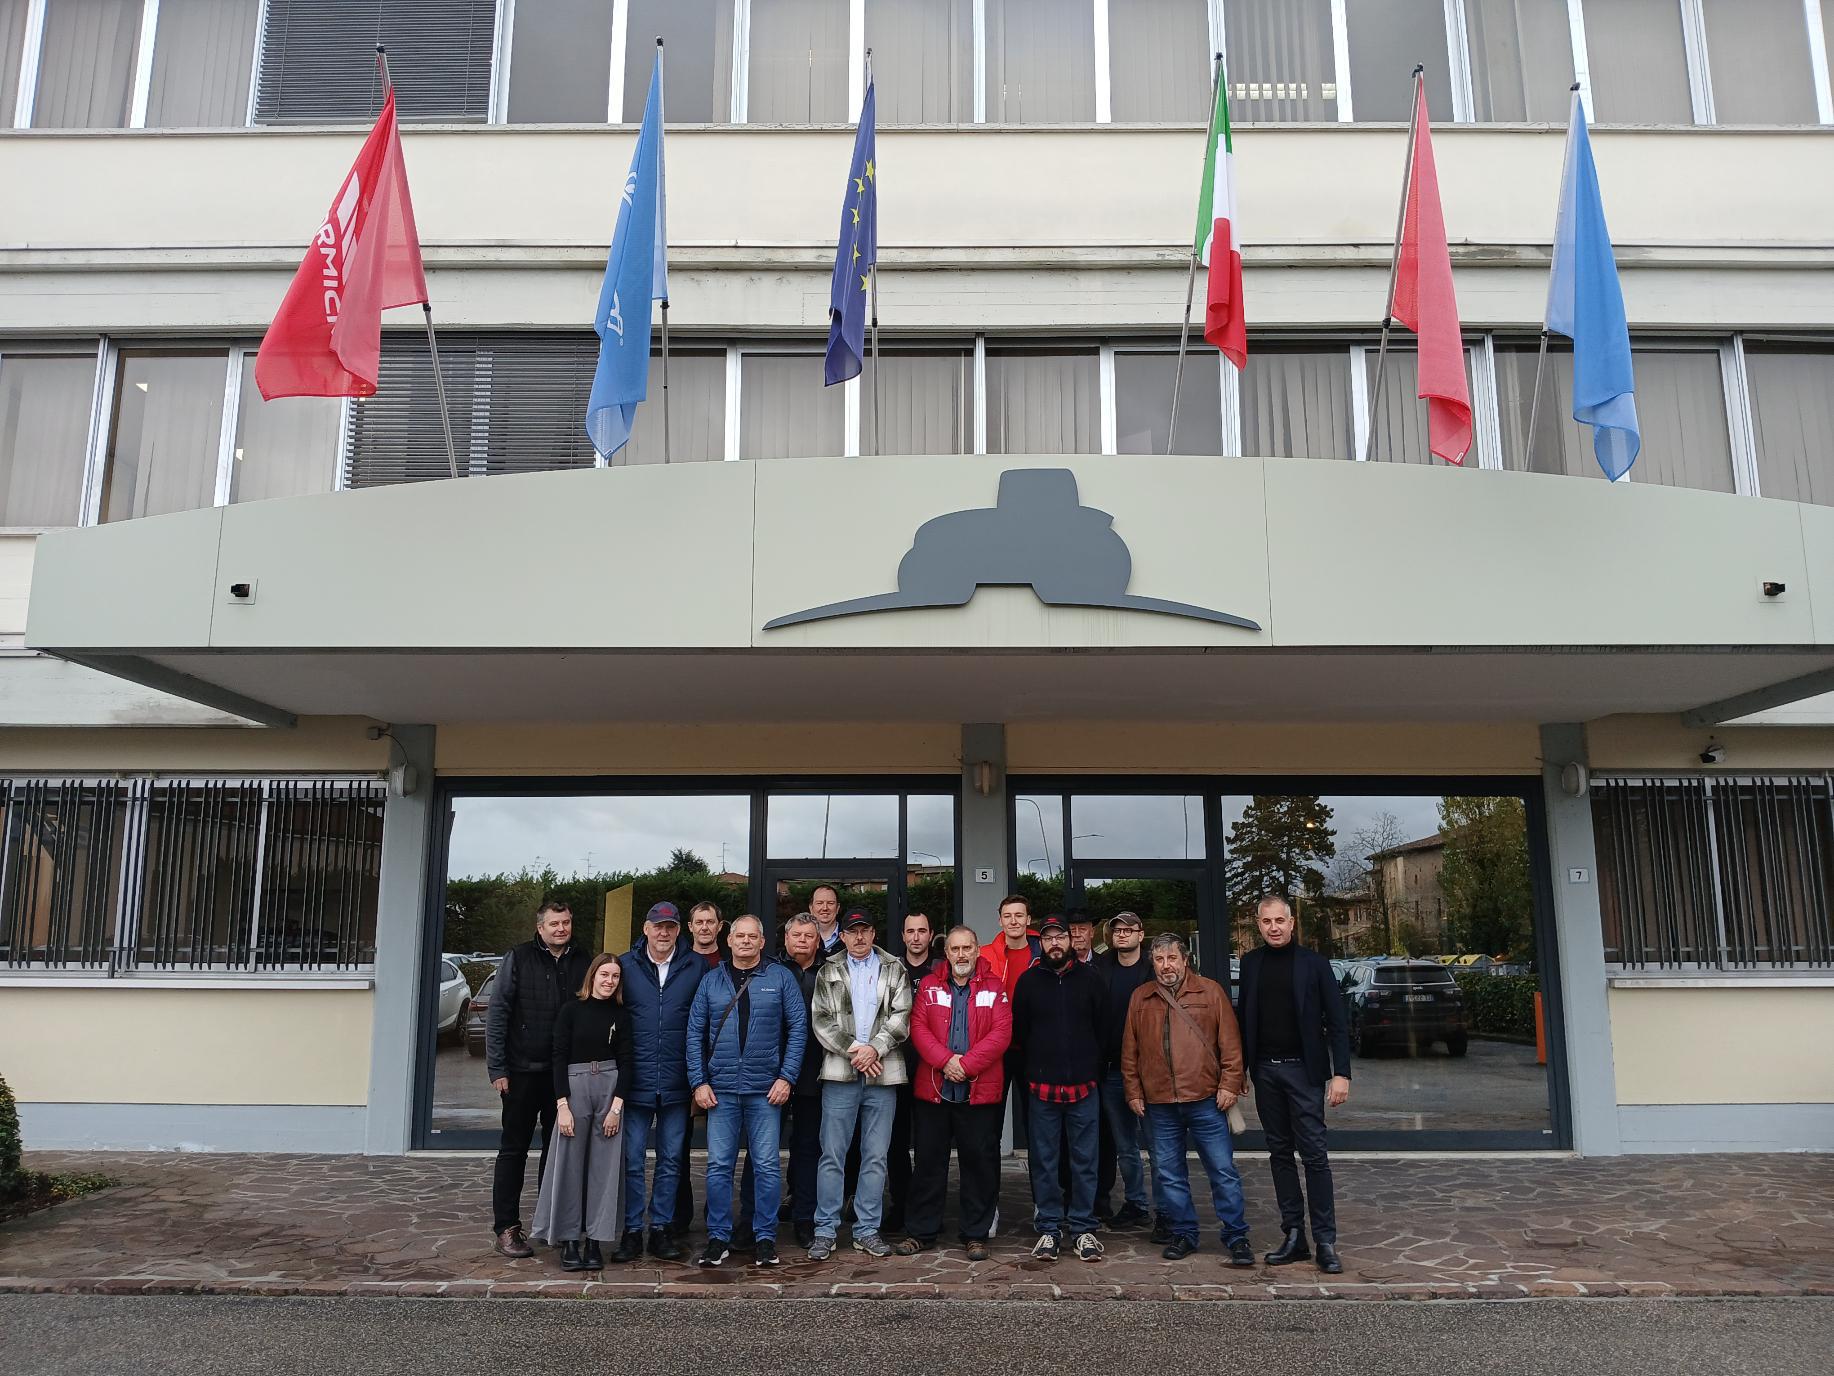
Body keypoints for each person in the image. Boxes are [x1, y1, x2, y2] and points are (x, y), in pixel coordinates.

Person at [1122, 932, 1253, 1264]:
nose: (1166, 965)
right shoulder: (1141, 997)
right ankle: (1184, 1234)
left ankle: (1236, 1236)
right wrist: (1133, 1091)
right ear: (1153, 963)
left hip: (1206, 1098)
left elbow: (1231, 1043)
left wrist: (1229, 1084)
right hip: (1159, 1103)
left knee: (1222, 1170)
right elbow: (1130, 1051)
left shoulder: (1210, 991)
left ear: (1185, 960)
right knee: (1169, 1173)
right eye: (1159, 959)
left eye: (1172, 958)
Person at [686, 914, 808, 1269]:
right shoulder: (711, 980)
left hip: (765, 1090)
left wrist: (786, 1077)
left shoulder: (780, 978)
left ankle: (765, 1237)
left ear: (762, 941)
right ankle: (718, 1237)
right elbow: (694, 1034)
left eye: (752, 936)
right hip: (720, 1090)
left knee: (767, 1166)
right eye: (739, 936)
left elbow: (798, 1028)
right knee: (718, 1167)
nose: (745, 941)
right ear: (729, 940)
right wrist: (699, 1082)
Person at [1239, 893, 1352, 1275]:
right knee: (1280, 1154)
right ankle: (1294, 1235)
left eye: (1280, 920)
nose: (1274, 927)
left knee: (1315, 1156)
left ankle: (1325, 1240)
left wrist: (1341, 1074)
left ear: (1291, 923)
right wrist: (1240, 1069)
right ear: (1259, 925)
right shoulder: (1250, 964)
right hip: (1265, 1072)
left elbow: (1337, 1021)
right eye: (1266, 921)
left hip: (1304, 1073)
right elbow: (1244, 1020)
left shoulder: (1314, 964)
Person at [896, 925, 1011, 1261]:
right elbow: (918, 1027)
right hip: (935, 1089)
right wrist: (946, 1061)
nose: (962, 955)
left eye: (967, 948)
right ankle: (921, 1232)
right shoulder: (929, 985)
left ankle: (975, 1234)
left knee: (979, 1164)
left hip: (978, 1091)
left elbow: (1002, 1033)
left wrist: (967, 1065)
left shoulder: (994, 986)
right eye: (955, 949)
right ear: (946, 953)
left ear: (977, 950)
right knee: (928, 1163)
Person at [487, 899, 590, 1259]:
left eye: (566, 922)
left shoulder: (583, 960)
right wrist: (497, 1068)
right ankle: (506, 1228)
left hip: (564, 1075)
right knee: (513, 1150)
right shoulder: (518, 958)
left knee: (558, 1150)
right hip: (521, 1072)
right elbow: (498, 1013)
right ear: (540, 927)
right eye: (554, 924)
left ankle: (553, 1223)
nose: (561, 929)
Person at [806, 909, 912, 1260]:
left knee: (876, 1156)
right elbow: (820, 1020)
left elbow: (902, 1016)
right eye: (853, 932)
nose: (859, 937)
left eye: (865, 930)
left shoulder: (894, 968)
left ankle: (867, 1229)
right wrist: (857, 1051)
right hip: (841, 1073)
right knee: (832, 1155)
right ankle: (825, 1229)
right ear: (843, 936)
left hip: (884, 1074)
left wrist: (874, 1049)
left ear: (873, 933)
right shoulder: (829, 970)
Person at [1009, 915, 1106, 1263]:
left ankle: (1083, 1228)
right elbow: (1020, 1032)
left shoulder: (1092, 979)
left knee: (1085, 1161)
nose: (1054, 944)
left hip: (1084, 1088)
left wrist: (1092, 1071)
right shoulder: (1028, 982)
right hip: (1042, 1089)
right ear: (1041, 943)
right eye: (1048, 938)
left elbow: (1103, 1029)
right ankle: (1049, 1228)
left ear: (1070, 940)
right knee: (1044, 1162)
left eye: (1060, 937)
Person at [613, 900, 705, 1263]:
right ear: (646, 929)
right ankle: (632, 1230)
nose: (663, 933)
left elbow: (705, 1023)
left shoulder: (696, 966)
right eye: (657, 926)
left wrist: (699, 1078)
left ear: (678, 931)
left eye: (670, 927)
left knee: (671, 1160)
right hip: (634, 1081)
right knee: (632, 1160)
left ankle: (661, 1228)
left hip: (678, 1081)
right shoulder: (625, 965)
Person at [530, 953, 631, 1271]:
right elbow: (558, 1057)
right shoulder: (571, 1011)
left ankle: (595, 1241)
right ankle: (570, 1239)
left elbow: (628, 1061)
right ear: (593, 976)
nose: (609, 981)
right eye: (604, 974)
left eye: (615, 976)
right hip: (575, 1088)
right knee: (569, 1166)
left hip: (609, 1089)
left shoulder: (621, 1014)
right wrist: (562, 1106)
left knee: (605, 1169)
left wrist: (616, 1108)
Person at [752, 911, 825, 1248]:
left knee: (808, 1148)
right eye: (797, 935)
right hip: (770, 1072)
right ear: (786, 938)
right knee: (762, 1149)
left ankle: (804, 1217)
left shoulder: (830, 970)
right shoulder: (768, 969)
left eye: (809, 936)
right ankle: (753, 1218)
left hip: (814, 1070)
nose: (802, 941)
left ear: (818, 940)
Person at [1093, 912, 1153, 1231]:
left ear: (1141, 935)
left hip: (1151, 1071)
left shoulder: (1154, 968)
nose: (1122, 934)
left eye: (1129, 930)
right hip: (1113, 1070)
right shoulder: (1101, 968)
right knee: (1125, 1146)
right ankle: (1136, 1204)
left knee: (1159, 1146)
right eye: (1117, 930)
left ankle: (1168, 1211)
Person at [885, 910, 941, 1236]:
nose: (916, 937)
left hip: (932, 1068)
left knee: (928, 1144)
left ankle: (927, 1208)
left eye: (922, 930)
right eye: (910, 931)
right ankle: (901, 1205)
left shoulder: (941, 969)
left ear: (930, 934)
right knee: (895, 1142)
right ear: (903, 935)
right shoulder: (891, 969)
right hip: (895, 1065)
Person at [980, 894, 1040, 1141]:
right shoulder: (984, 956)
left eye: (1018, 915)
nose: (1013, 921)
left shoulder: (1043, 954)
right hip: (996, 1050)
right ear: (1000, 921)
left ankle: (1040, 1169)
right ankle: (989, 1170)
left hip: (1033, 1049)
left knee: (1036, 1122)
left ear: (1028, 919)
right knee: (990, 1122)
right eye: (1007, 916)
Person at [687, 901, 727, 968]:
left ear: (719, 926)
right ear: (690, 927)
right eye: (699, 922)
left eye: (710, 922)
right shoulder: (678, 961)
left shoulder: (732, 961)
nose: (704, 928)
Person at [809, 885, 845, 958]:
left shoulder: (849, 936)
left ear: (837, 908)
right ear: (811, 908)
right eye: (819, 903)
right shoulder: (801, 938)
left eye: (830, 903)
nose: (825, 908)